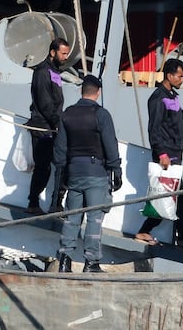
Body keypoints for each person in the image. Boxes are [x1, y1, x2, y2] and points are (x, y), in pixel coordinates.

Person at [55, 75, 122, 273]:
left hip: (74, 172)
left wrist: (62, 176)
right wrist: (116, 170)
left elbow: (60, 150)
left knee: (72, 218)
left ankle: (65, 260)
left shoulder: (67, 114)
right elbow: (111, 145)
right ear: (98, 92)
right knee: (94, 218)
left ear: (81, 91)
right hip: (96, 174)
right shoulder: (101, 115)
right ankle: (91, 263)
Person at [135, 58, 183, 252]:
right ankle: (182, 237)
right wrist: (161, 153)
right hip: (166, 156)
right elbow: (154, 129)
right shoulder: (158, 98)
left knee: (170, 196)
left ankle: (150, 231)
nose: (182, 79)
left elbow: (181, 120)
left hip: (175, 153)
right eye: (180, 75)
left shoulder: (173, 96)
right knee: (177, 195)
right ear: (170, 75)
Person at [26, 37, 70, 214]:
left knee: (62, 164)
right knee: (43, 166)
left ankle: (56, 203)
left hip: (53, 126)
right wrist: (58, 123)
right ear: (53, 53)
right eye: (63, 53)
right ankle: (33, 203)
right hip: (43, 127)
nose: (66, 57)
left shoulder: (55, 72)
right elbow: (45, 103)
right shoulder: (42, 72)